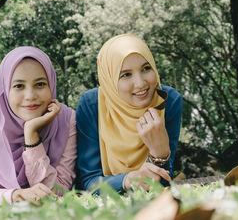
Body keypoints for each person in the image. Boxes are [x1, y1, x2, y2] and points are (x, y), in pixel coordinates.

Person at [0, 46, 77, 208]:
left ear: (51, 85)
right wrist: (15, 195)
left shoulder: (66, 120)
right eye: (19, 86)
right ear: (5, 89)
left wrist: (31, 136)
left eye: (40, 84)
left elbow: (59, 193)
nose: (30, 96)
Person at [76, 34, 182, 192]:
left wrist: (159, 154)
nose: (140, 84)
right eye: (125, 74)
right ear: (109, 78)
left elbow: (164, 180)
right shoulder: (92, 105)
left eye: (146, 68)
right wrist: (127, 180)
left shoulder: (169, 101)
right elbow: (89, 181)